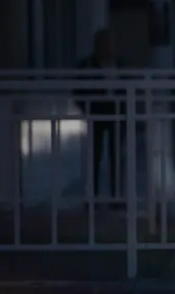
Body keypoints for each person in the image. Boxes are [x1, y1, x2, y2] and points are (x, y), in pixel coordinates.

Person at [75, 28, 126, 203]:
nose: (108, 48)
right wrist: (87, 109)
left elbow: (133, 87)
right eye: (104, 44)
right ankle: (91, 197)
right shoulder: (86, 65)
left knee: (117, 157)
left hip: (117, 115)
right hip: (96, 115)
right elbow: (77, 91)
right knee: (94, 157)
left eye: (110, 44)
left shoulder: (122, 65)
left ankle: (117, 197)